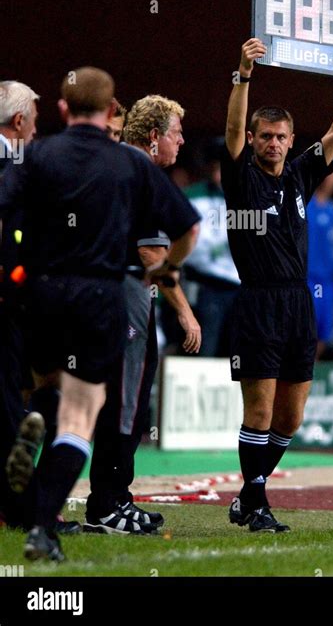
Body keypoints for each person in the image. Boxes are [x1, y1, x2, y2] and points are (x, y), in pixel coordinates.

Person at [0, 67, 197, 561]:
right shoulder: (129, 163)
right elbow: (189, 228)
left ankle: (34, 421)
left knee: (49, 388)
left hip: (41, 296)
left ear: (63, 110)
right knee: (84, 414)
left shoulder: (37, 155)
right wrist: (165, 272)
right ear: (112, 112)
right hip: (99, 294)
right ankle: (42, 529)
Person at [221, 38, 333, 532]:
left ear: (291, 140)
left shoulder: (299, 176)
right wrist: (243, 73)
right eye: (264, 136)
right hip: (257, 300)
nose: (272, 143)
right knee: (259, 410)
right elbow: (233, 124)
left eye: (280, 136)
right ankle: (255, 505)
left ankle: (248, 496)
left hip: (297, 301)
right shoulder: (240, 180)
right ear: (253, 140)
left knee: (290, 419)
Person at [84, 94, 201, 534]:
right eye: (176, 133)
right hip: (127, 295)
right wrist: (186, 314)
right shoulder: (140, 172)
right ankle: (109, 504)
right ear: (154, 137)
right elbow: (152, 251)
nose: (182, 141)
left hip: (90, 293)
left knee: (97, 402)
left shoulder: (107, 164)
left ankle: (106, 499)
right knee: (126, 403)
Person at [0, 81, 39, 529]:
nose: (35, 132)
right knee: (9, 400)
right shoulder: (15, 163)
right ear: (19, 121)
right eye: (34, 122)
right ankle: (21, 509)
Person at [184, 137, 240, 357]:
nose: (221, 175)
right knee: (205, 348)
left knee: (239, 353)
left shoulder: (249, 196)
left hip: (241, 288)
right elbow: (190, 246)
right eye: (217, 168)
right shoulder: (193, 197)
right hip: (207, 286)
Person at [306, 161, 333, 359]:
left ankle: (310, 373)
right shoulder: (305, 206)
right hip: (307, 279)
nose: (331, 178)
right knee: (304, 331)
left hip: (328, 281)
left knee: (324, 333)